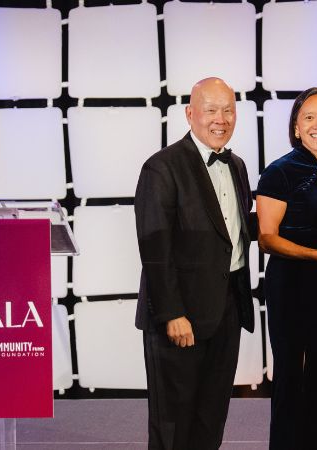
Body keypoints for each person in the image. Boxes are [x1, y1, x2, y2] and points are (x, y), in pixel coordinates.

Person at [134, 77, 256, 450]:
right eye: (211, 110)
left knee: (210, 417)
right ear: (190, 114)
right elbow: (155, 248)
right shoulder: (162, 167)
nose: (221, 119)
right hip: (180, 316)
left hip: (227, 312)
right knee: (173, 424)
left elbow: (234, 233)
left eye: (228, 110)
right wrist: (172, 313)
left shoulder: (236, 165)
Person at [256, 87, 317, 449]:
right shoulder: (278, 172)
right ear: (296, 127)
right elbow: (266, 238)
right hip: (291, 285)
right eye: (309, 117)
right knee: (292, 382)